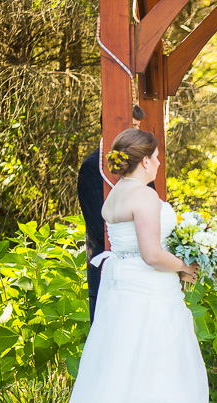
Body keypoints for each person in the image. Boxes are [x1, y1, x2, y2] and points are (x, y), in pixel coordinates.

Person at [0, 128, 217, 403]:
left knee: (125, 371)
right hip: (149, 294)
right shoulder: (143, 195)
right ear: (144, 160)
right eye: (155, 157)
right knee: (158, 371)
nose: (158, 163)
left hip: (126, 292)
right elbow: (152, 254)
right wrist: (186, 267)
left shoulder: (116, 194)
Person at [77, 105, 146, 324]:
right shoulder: (91, 167)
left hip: (142, 269)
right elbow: (100, 227)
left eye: (139, 128)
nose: (138, 135)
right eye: (133, 128)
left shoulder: (141, 168)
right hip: (108, 271)